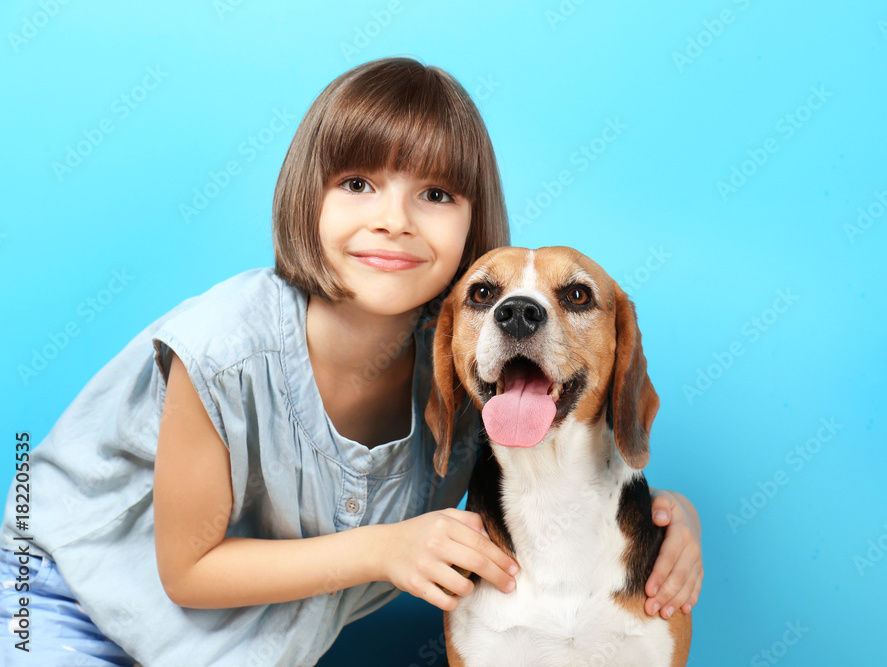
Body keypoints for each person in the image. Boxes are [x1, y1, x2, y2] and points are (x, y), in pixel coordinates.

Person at [0, 57, 702, 666]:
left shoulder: (469, 376)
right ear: (307, 198)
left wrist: (672, 521)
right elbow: (187, 569)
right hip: (62, 598)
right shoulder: (223, 347)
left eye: (434, 194)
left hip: (233, 645)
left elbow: (560, 491)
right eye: (358, 183)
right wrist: (382, 549)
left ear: (473, 221)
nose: (394, 218)